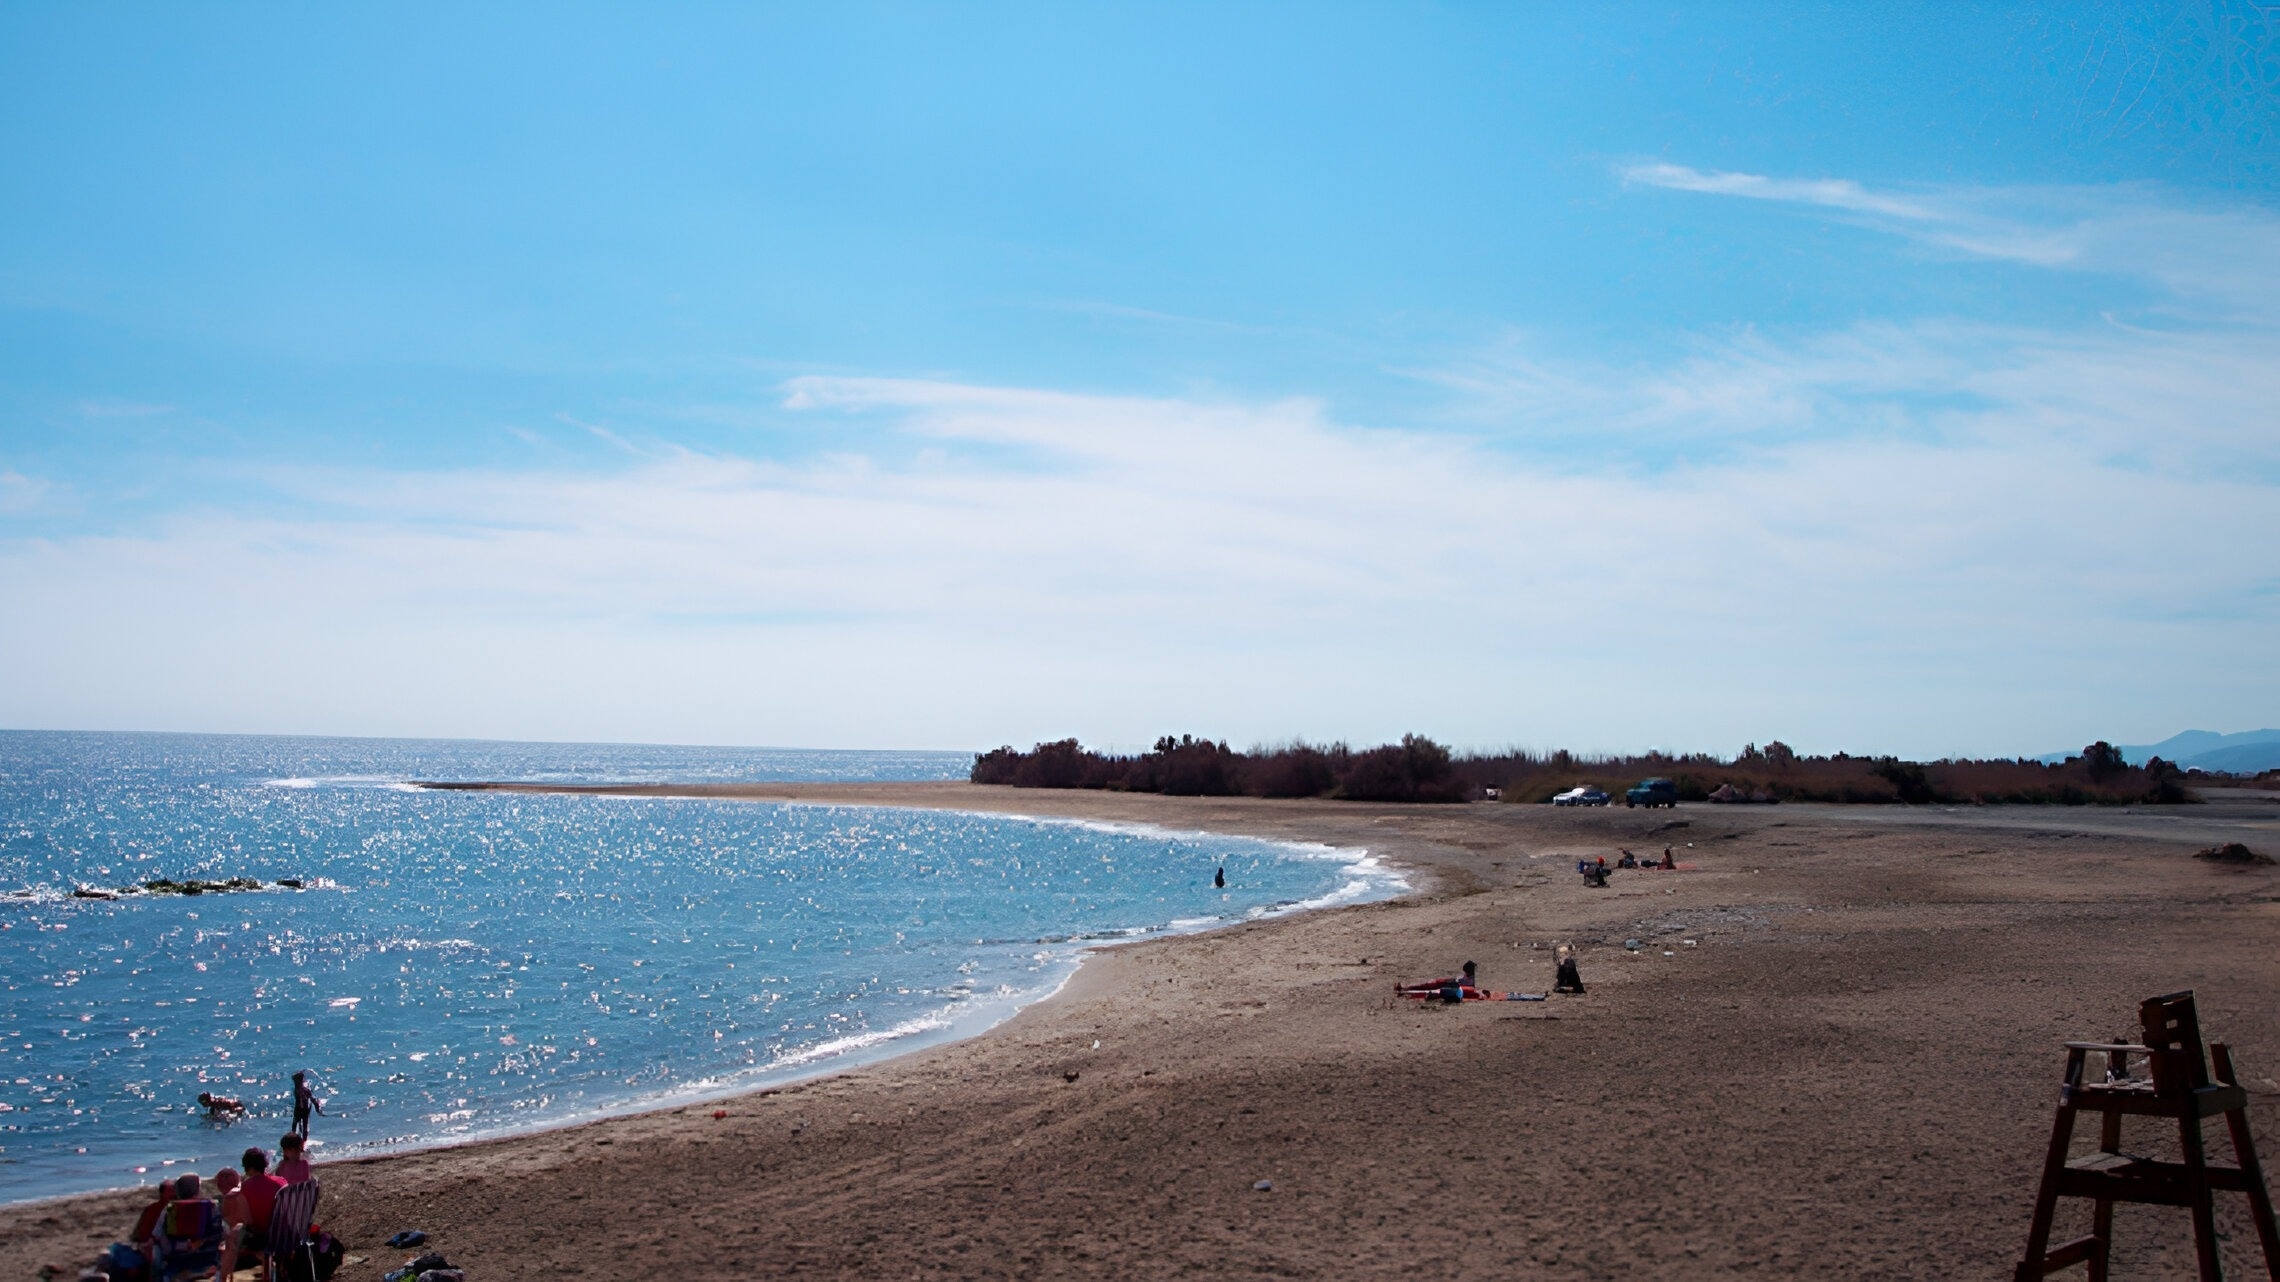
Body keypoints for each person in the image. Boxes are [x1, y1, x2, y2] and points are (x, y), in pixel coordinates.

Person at [236, 1147, 286, 1263]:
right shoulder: (281, 1182)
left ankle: (263, 1258)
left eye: (245, 1168)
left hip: (261, 1235)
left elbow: (245, 1218)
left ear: (251, 1168)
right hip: (283, 1233)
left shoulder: (245, 1187)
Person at [290, 1071, 324, 1139]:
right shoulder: (301, 1089)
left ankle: (299, 1140)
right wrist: (318, 1109)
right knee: (301, 1124)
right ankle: (301, 1139)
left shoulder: (300, 1089)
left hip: (302, 1109)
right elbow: (313, 1100)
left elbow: (313, 1100)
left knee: (297, 1124)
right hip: (303, 1108)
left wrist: (317, 1109)